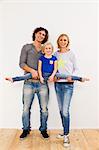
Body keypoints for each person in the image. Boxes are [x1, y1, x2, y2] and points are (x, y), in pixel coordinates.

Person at [54, 33, 89, 147]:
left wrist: (72, 76)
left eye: (65, 40)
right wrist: (53, 76)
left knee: (65, 111)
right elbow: (53, 69)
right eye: (61, 40)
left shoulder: (71, 54)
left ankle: (66, 135)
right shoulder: (55, 54)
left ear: (67, 42)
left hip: (68, 85)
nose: (63, 41)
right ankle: (64, 131)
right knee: (60, 110)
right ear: (58, 42)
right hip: (58, 85)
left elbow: (76, 68)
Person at [17, 27, 49, 139]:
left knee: (44, 109)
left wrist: (56, 74)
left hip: (42, 84)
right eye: (40, 33)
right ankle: (26, 129)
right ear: (35, 34)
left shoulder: (46, 48)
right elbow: (21, 63)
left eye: (44, 35)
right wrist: (32, 71)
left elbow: (54, 62)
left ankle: (43, 129)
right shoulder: (27, 47)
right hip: (28, 83)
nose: (41, 36)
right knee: (26, 108)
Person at [5, 43, 89, 83]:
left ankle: (80, 78)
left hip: (52, 74)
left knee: (65, 75)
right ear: (44, 50)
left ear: (52, 50)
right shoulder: (41, 58)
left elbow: (55, 68)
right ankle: (13, 79)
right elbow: (39, 68)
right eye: (47, 48)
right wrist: (41, 77)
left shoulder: (54, 58)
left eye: (50, 48)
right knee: (27, 75)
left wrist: (52, 76)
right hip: (42, 74)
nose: (48, 50)